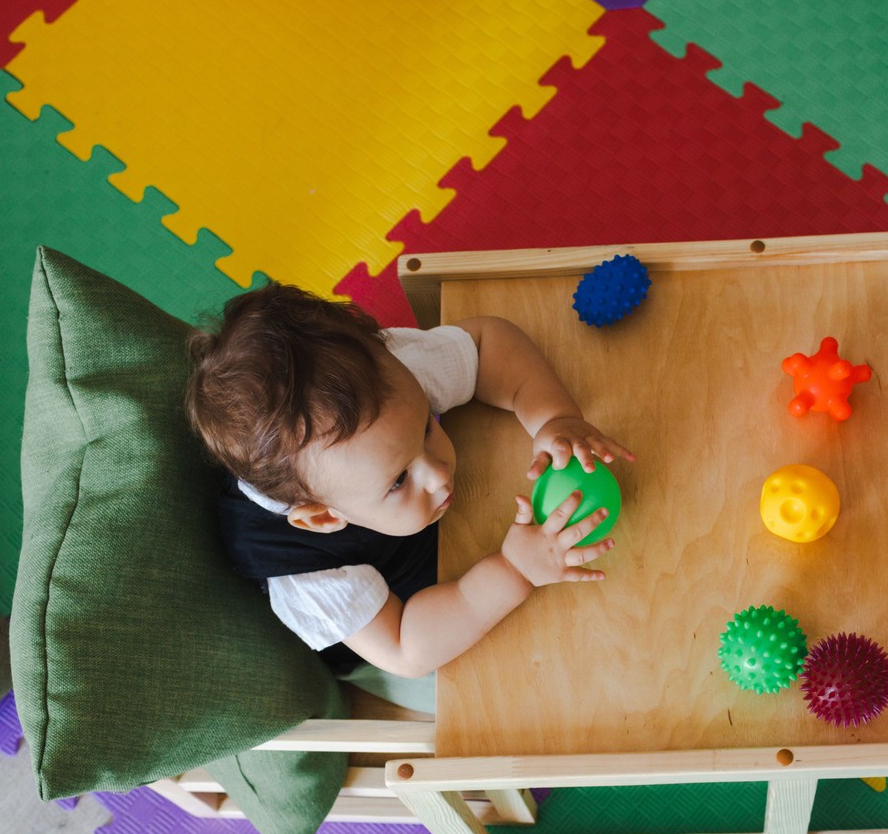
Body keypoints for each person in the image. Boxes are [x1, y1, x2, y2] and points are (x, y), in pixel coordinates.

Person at [185, 284, 632, 680]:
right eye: (399, 481)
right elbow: (405, 649)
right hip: (416, 610)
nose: (438, 474)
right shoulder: (305, 571)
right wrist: (514, 571)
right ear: (323, 517)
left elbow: (486, 342)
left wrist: (554, 417)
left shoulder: (386, 381)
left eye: (425, 429)